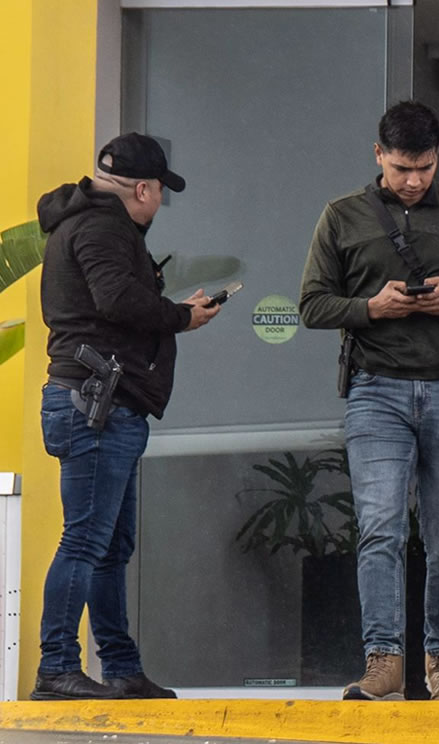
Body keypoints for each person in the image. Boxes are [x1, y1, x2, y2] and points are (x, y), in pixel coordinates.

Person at [299, 101, 439, 701]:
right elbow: (312, 304)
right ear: (377, 156)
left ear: (437, 157)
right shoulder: (342, 215)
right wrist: (372, 307)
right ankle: (383, 660)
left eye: (423, 167)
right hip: (376, 390)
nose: (413, 181)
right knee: (381, 529)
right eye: (400, 168)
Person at [34, 132, 220, 700]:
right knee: (85, 542)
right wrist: (179, 316)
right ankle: (57, 667)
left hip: (102, 404)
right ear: (142, 188)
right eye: (160, 191)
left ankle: (120, 666)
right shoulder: (102, 226)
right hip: (96, 406)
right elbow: (116, 299)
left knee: (109, 547)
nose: (159, 202)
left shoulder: (89, 222)